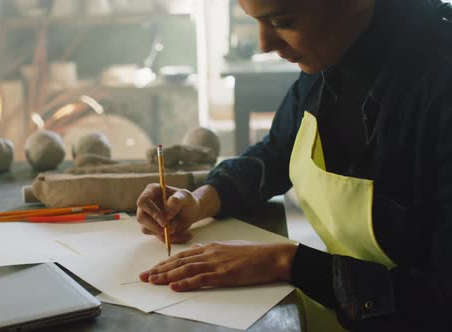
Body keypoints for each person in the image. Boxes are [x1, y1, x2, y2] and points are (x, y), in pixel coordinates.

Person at [135, 0, 452, 331]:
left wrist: (286, 261)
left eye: (282, 21)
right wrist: (199, 200)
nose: (264, 44)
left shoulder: (439, 89)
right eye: (255, 21)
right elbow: (276, 153)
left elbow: (441, 299)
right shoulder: (332, 58)